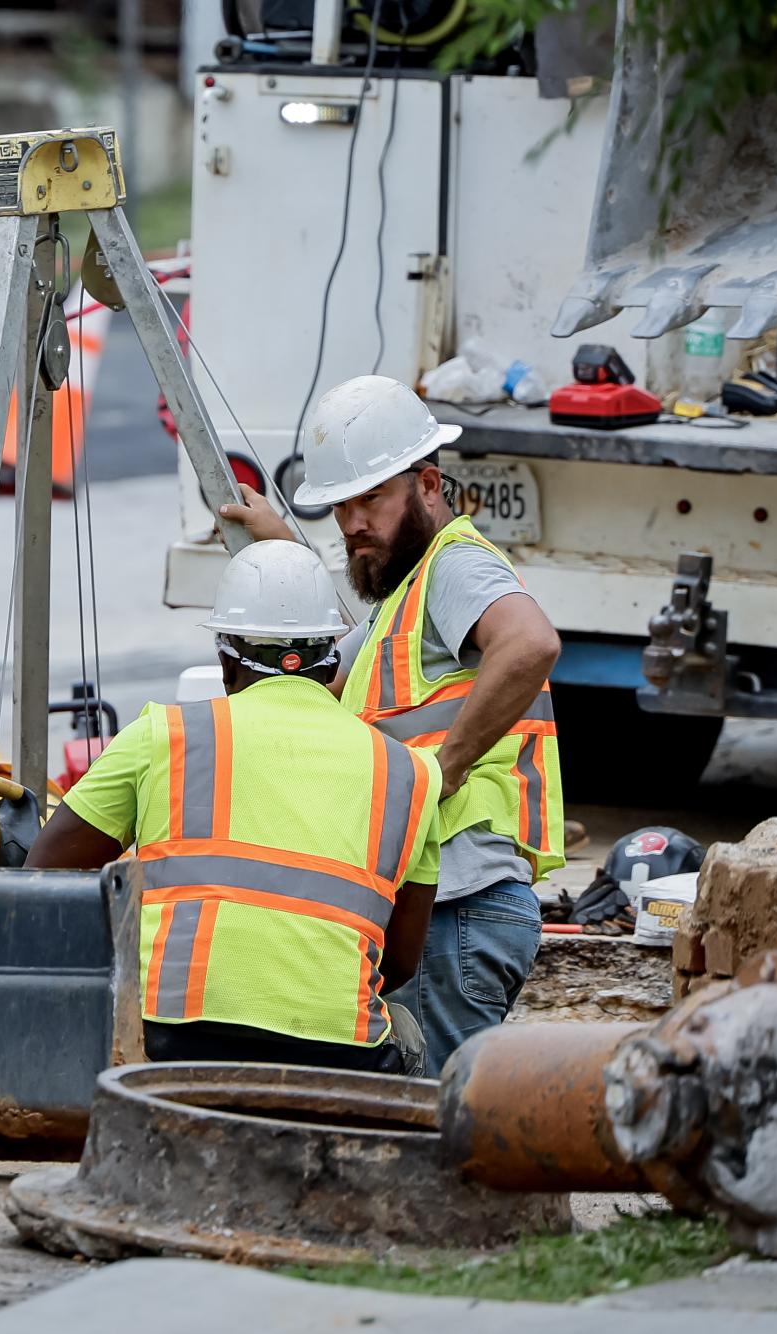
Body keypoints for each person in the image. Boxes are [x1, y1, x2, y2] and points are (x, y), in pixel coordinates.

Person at [220, 375, 563, 1072]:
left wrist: (444, 769)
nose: (352, 524)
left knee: (440, 1139)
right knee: (425, 1126)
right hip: (441, 909)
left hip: (460, 904)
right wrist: (282, 545)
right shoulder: (400, 600)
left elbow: (530, 643)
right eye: (341, 507)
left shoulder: (453, 563)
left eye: (371, 499)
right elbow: (321, 670)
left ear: (428, 485)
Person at [26, 541, 442, 1073]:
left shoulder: (166, 735)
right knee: (403, 1029)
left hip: (171, 1040)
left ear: (226, 663)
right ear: (333, 659)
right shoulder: (411, 774)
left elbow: (44, 878)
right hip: (339, 1054)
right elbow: (401, 962)